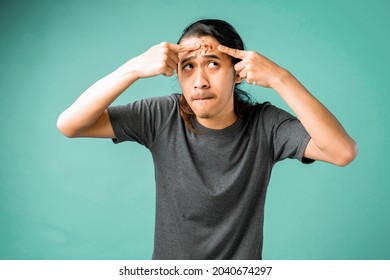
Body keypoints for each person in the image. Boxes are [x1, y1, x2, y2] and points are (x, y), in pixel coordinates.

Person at [57, 19, 357, 259]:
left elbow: (342, 151)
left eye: (213, 63)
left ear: (237, 72)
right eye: (188, 66)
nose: (199, 81)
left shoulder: (266, 124)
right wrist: (134, 68)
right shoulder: (162, 115)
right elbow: (70, 124)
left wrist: (281, 78)